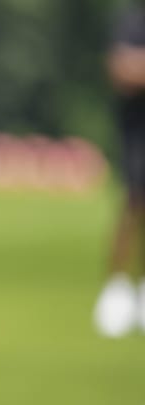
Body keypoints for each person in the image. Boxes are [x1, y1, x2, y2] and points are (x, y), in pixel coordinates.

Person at [94, 4, 145, 338]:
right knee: (134, 204)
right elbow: (121, 68)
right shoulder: (134, 23)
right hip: (138, 132)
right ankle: (117, 290)